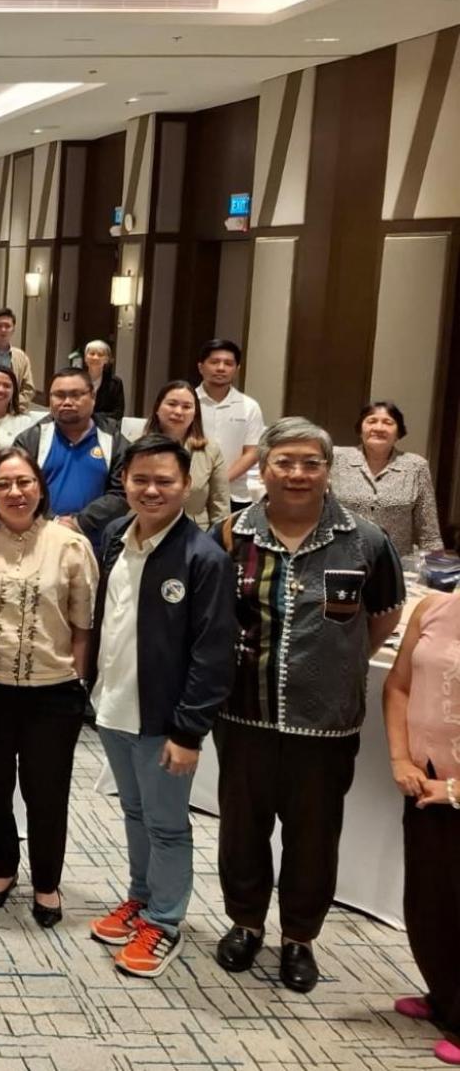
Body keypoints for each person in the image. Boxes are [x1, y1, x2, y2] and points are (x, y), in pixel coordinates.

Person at [212, 416, 403, 992]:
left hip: (326, 725)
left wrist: (330, 665)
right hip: (243, 713)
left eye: (310, 463)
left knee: (314, 836)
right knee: (241, 829)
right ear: (263, 469)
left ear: (328, 470)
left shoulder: (365, 540)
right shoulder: (230, 536)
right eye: (284, 462)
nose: (297, 474)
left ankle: (299, 937)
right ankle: (245, 923)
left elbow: (383, 617)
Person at [85, 434, 235, 979]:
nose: (151, 490)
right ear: (123, 481)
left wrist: (189, 731)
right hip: (113, 704)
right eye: (140, 479)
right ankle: (140, 898)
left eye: (164, 481)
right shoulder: (112, 537)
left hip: (164, 720)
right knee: (134, 813)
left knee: (168, 825)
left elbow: (212, 653)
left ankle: (165, 921)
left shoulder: (203, 558)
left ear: (186, 486)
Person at [0, 446, 98, 928]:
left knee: (46, 789)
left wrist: (78, 681)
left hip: (52, 690)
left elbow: (82, 625)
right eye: (3, 485)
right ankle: (0, 868)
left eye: (24, 482)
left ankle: (47, 882)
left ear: (40, 488)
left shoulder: (69, 545)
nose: (15, 492)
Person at [384, 590, 460, 1065]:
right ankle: (445, 995)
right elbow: (398, 686)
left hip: (452, 788)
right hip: (425, 780)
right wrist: (399, 757)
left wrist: (455, 790)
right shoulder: (434, 606)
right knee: (431, 901)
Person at [12, 369, 128, 539]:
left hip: (96, 545)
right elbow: (16, 487)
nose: (67, 402)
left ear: (93, 397)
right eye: (59, 395)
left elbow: (122, 493)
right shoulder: (31, 439)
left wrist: (80, 522)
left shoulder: (115, 441)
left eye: (76, 395)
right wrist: (54, 521)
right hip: (37, 539)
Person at [332, 400, 444, 566]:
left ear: (398, 432)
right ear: (360, 429)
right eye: (371, 421)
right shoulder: (337, 458)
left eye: (388, 422)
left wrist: (438, 574)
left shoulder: (416, 466)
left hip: (394, 568)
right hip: (340, 562)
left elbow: (429, 533)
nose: (378, 428)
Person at [195, 339, 265, 511]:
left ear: (237, 369)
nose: (221, 368)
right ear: (201, 367)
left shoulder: (250, 406)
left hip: (236, 493)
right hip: (192, 490)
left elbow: (253, 452)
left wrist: (221, 481)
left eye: (228, 363)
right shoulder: (187, 402)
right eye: (214, 362)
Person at [149, 380, 229, 529]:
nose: (178, 412)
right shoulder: (136, 447)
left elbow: (220, 504)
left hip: (195, 533)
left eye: (186, 407)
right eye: (172, 404)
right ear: (157, 408)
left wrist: (218, 543)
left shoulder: (210, 451)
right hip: (147, 527)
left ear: (195, 414)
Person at [81, 340, 126, 425]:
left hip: (105, 427)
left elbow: (118, 413)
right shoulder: (76, 380)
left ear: (107, 360)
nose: (95, 357)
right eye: (92, 353)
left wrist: (93, 418)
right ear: (85, 358)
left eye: (100, 354)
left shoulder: (115, 383)